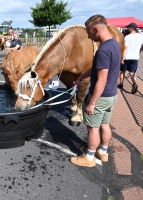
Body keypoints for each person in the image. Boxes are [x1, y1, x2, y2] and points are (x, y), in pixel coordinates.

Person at [70, 15, 121, 167]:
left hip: (101, 96)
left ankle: (89, 158)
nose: (88, 35)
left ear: (96, 30)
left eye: (89, 32)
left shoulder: (103, 50)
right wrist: (81, 77)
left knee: (93, 128)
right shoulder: (114, 44)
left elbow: (102, 79)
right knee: (105, 124)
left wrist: (92, 102)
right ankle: (103, 152)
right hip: (112, 95)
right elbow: (97, 69)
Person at [117, 22, 143, 94]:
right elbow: (141, 47)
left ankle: (121, 84)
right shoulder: (141, 36)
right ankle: (134, 83)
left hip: (127, 57)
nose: (127, 28)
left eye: (128, 27)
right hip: (135, 57)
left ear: (131, 28)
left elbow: (125, 48)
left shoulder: (127, 37)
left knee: (122, 71)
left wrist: (122, 58)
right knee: (132, 72)